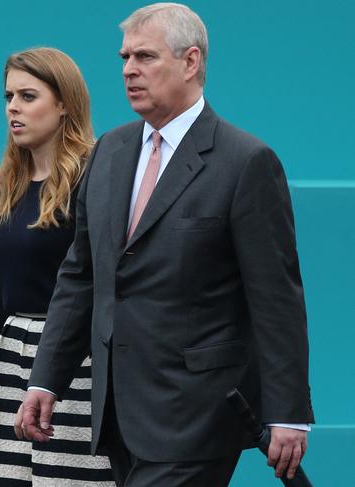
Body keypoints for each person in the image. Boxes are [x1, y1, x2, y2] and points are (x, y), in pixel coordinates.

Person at [16, 4, 314, 486]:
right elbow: (82, 276)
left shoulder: (246, 162)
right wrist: (47, 378)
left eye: (145, 57)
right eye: (125, 57)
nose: (129, 70)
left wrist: (288, 413)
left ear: (191, 62)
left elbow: (276, 298)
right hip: (116, 415)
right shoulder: (110, 151)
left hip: (198, 414)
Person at [0, 48, 114, 486]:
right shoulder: (8, 185)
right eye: (9, 96)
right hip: (9, 362)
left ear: (64, 102)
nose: (13, 106)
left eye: (28, 96)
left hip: (75, 365)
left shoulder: (96, 177)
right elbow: (2, 297)